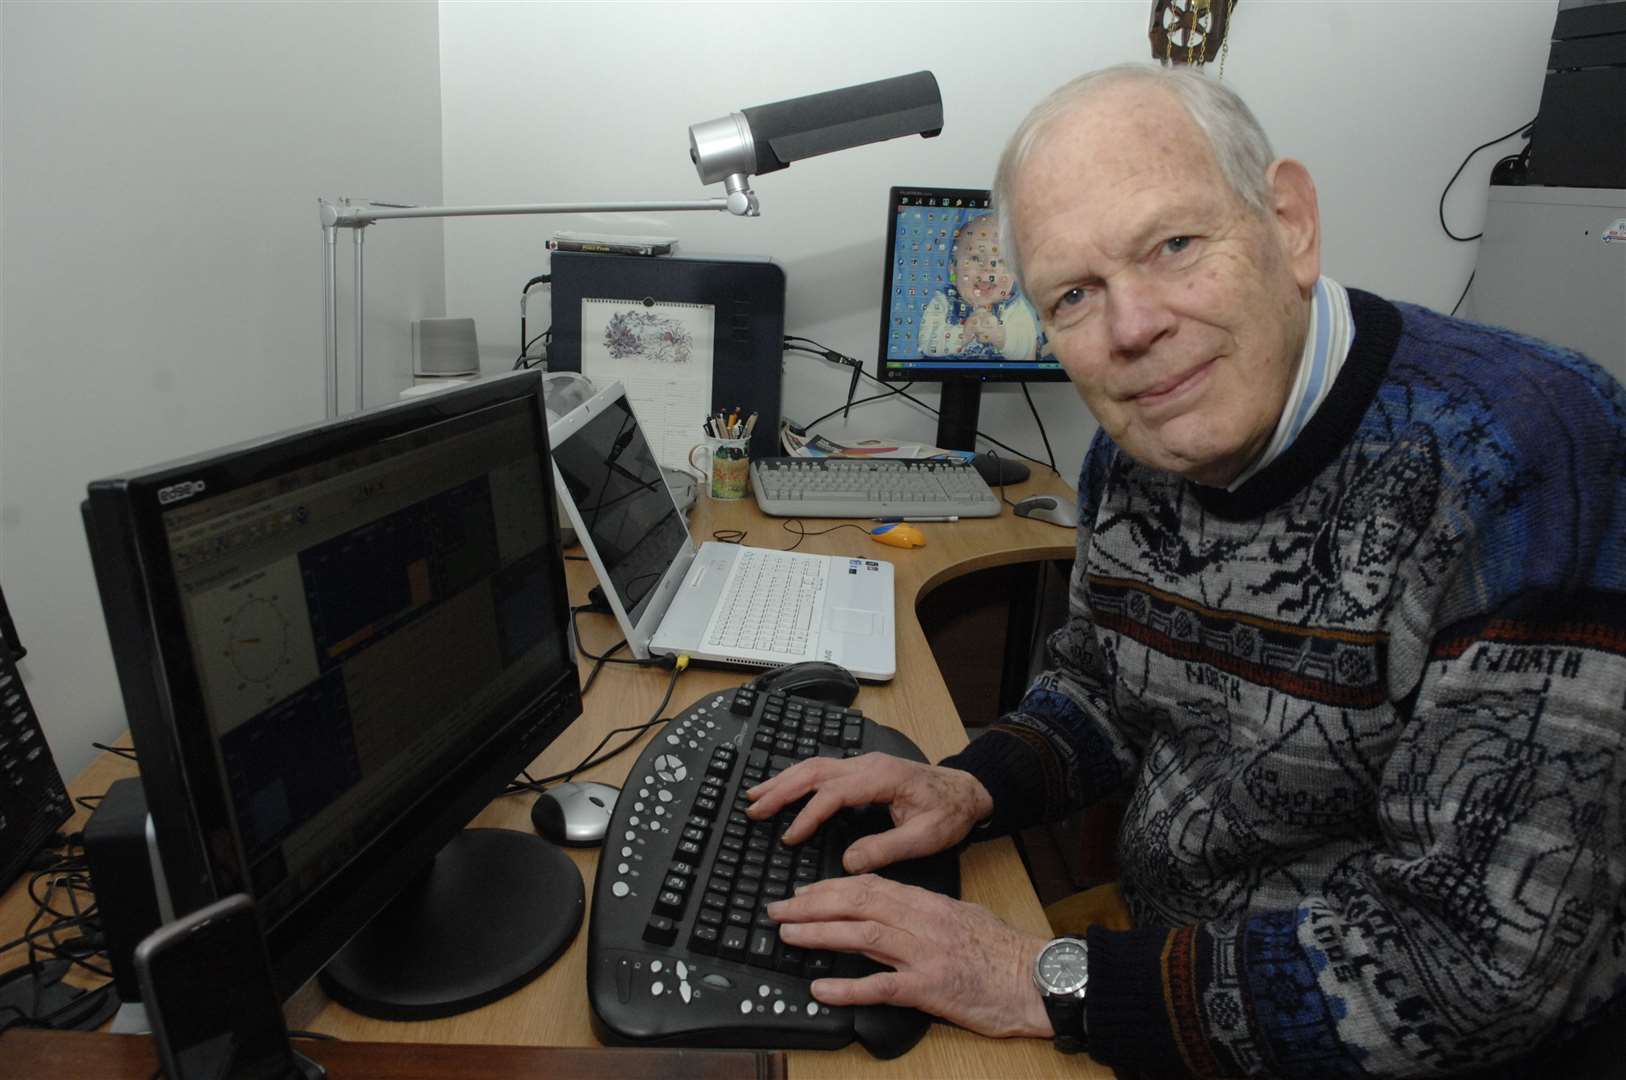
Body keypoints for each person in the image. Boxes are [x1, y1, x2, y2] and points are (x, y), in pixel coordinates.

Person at [747, 63, 1626, 1078]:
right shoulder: (1137, 451)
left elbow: (1477, 969)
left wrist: (1043, 978)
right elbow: (1103, 694)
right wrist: (968, 788)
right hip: (1170, 976)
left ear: (1290, 222)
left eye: (1172, 246)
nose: (1131, 331)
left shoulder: (1534, 452)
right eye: (1075, 295)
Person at [917, 212, 1041, 361]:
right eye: (975, 258)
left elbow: (1027, 350)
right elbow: (925, 342)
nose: (988, 268)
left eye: (1001, 260)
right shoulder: (943, 301)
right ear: (953, 271)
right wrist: (963, 334)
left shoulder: (1014, 307)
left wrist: (1000, 336)